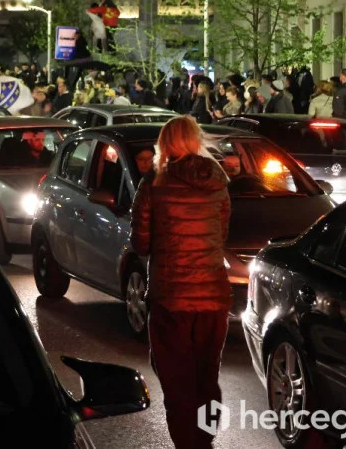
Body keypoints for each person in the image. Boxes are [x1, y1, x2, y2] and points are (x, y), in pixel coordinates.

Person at [130, 116, 231, 449]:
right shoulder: (218, 181)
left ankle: (190, 444)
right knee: (206, 375)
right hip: (214, 296)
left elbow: (141, 244)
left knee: (176, 379)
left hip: (171, 297)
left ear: (165, 143)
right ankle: (205, 438)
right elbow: (221, 235)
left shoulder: (153, 184)